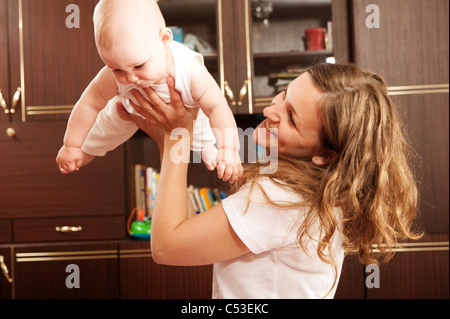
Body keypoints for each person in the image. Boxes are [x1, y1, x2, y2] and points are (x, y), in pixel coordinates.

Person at [118, 63, 422, 299]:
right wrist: (170, 138)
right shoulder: (319, 192)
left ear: (325, 155)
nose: (269, 110)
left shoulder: (282, 200)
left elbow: (167, 247)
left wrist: (175, 138)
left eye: (291, 118)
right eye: (284, 95)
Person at [56, 0, 243, 183]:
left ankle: (207, 148)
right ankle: (85, 151)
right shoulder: (115, 73)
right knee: (106, 125)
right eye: (117, 70)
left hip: (187, 109)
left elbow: (217, 106)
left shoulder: (190, 70)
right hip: (131, 109)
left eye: (138, 66)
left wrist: (229, 149)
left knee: (201, 124)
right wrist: (71, 144)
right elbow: (88, 103)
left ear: (164, 40)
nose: (130, 78)